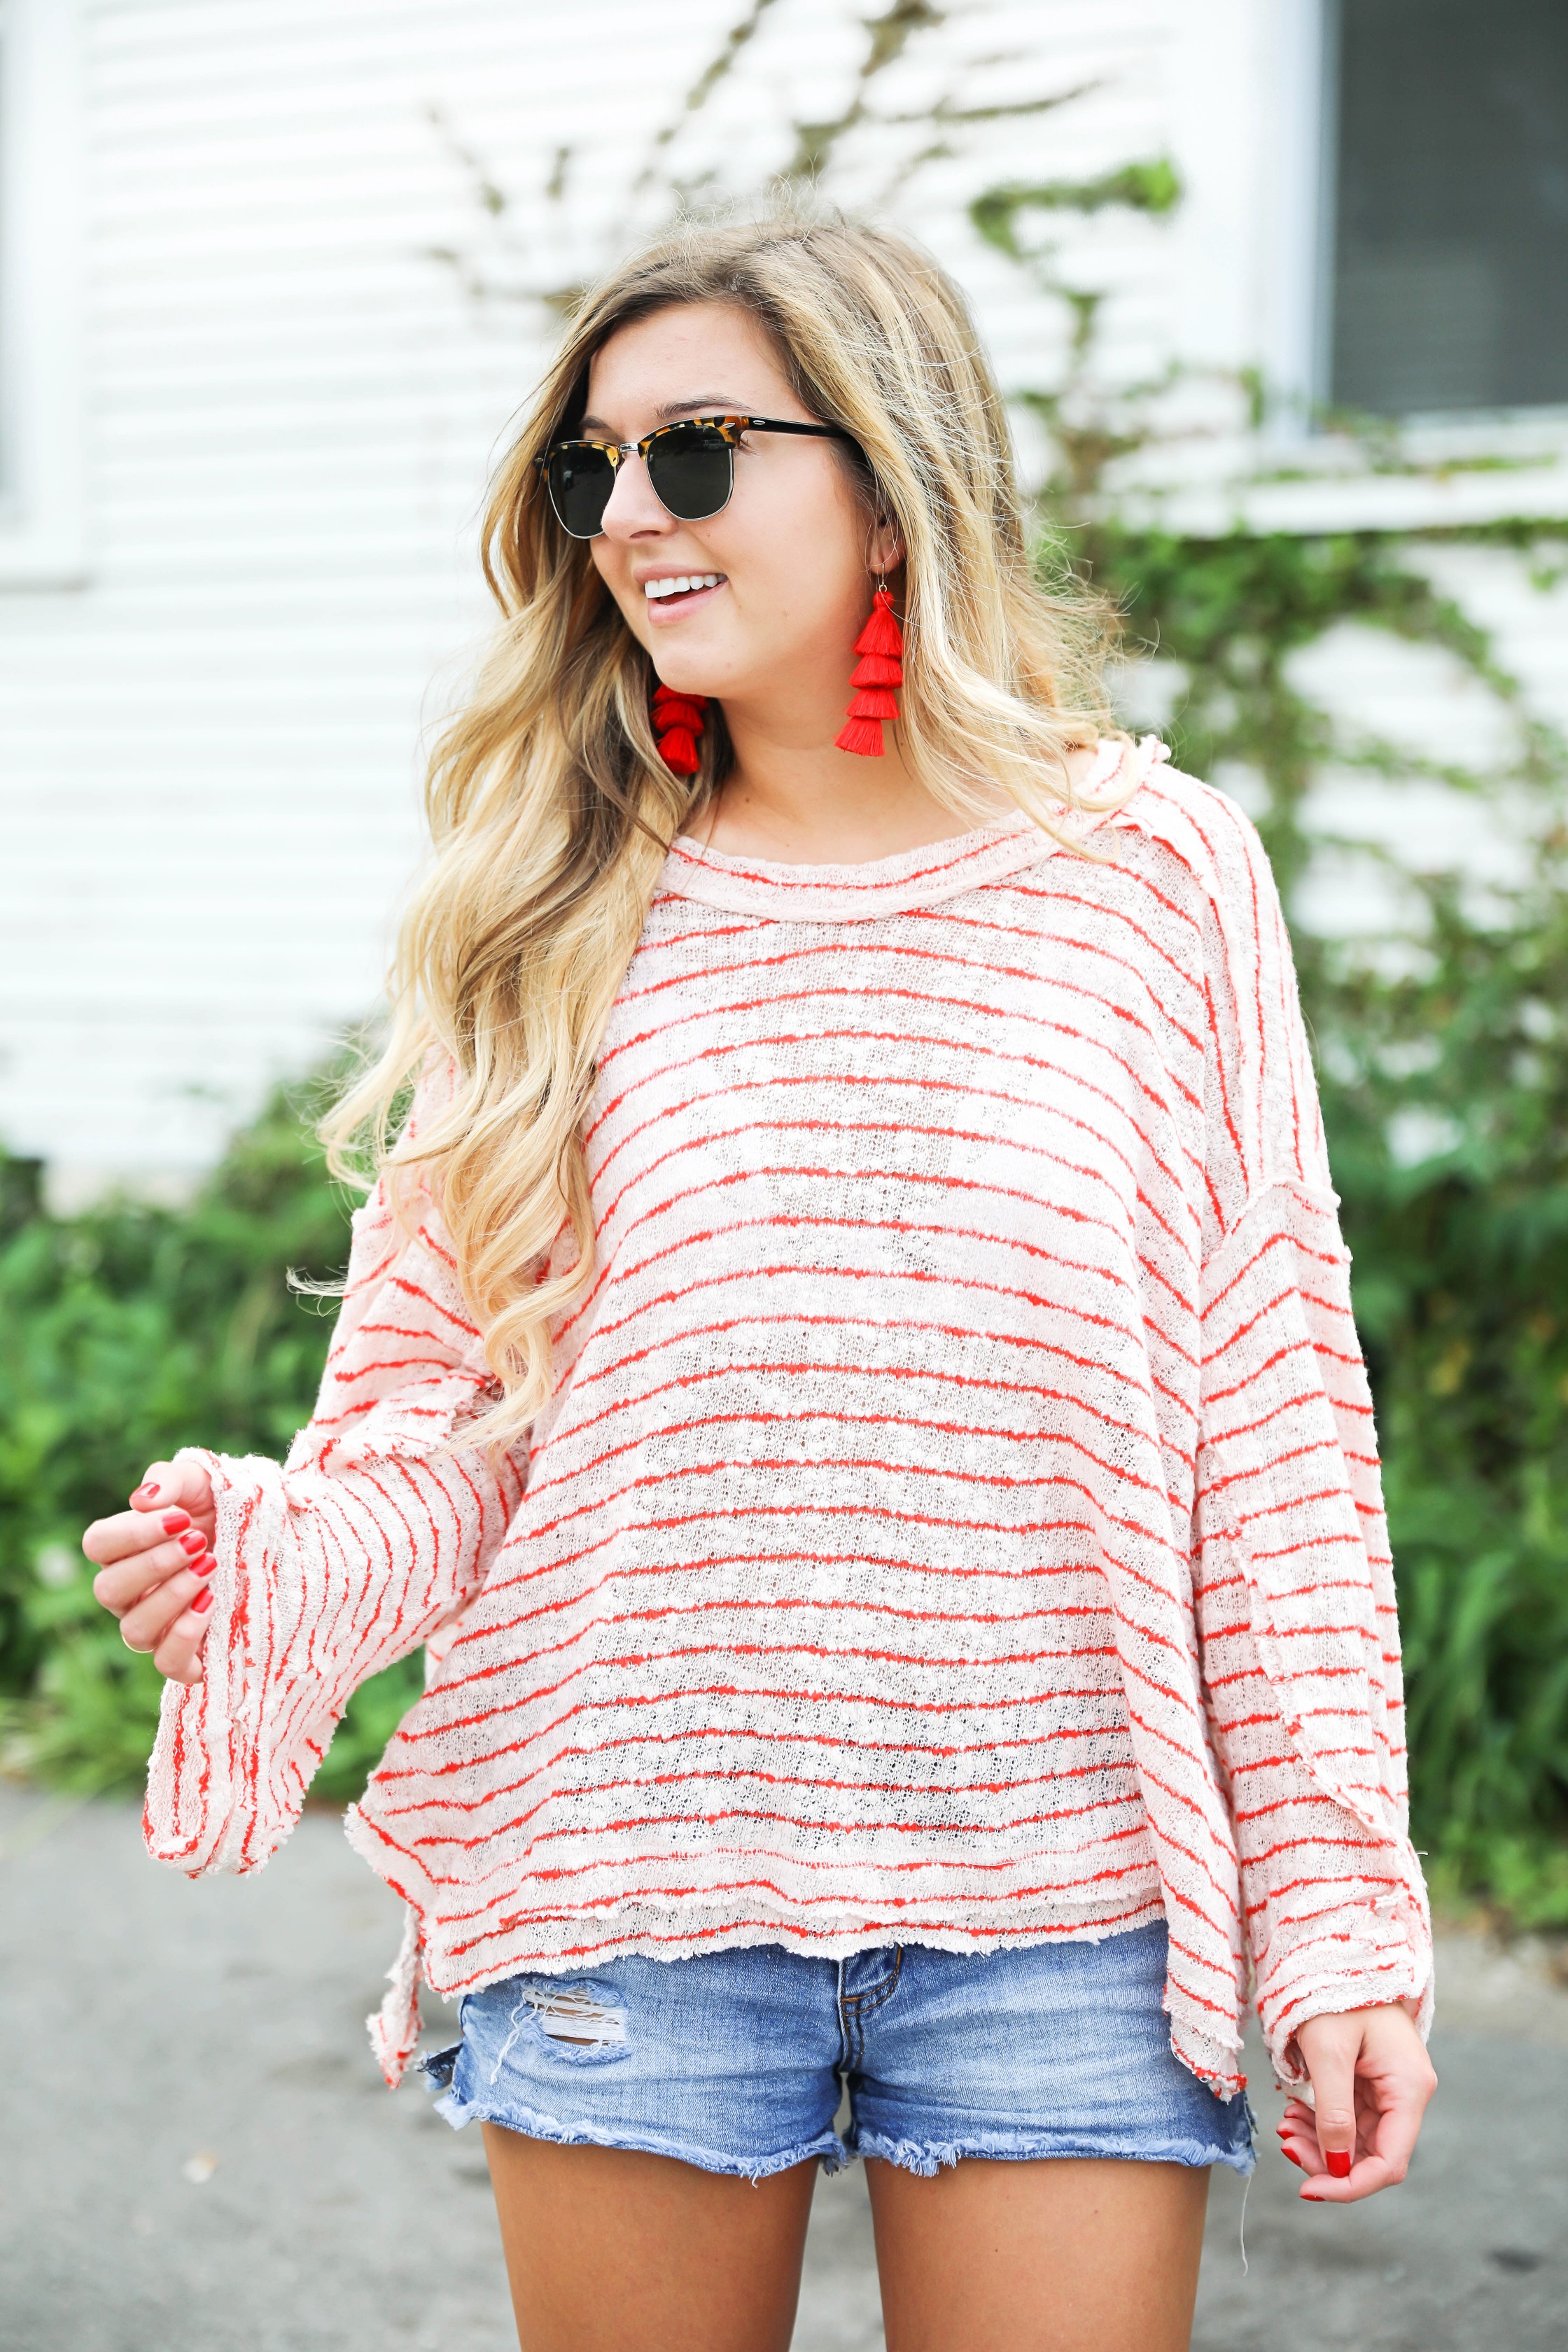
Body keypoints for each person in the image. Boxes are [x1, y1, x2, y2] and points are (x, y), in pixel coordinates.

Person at [83, 210, 1436, 2352]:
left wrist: (1339, 1920)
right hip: (632, 1869)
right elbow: (449, 1432)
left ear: (888, 481)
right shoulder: (549, 907)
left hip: (1066, 1900)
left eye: (695, 451)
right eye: (588, 470)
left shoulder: (1155, 877)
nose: (628, 516)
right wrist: (285, 1563)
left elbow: (1269, 1420)